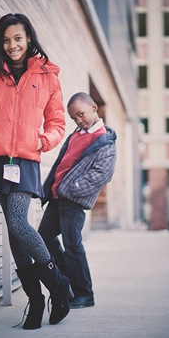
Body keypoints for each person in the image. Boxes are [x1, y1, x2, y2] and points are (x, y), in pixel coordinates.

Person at [0, 13, 71, 330]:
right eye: (6, 39)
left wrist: (43, 140)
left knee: (17, 222)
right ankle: (36, 300)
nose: (12, 45)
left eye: (17, 38)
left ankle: (57, 285)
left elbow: (57, 123)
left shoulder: (48, 77)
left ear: (29, 39)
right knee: (15, 233)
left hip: (26, 159)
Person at [38, 92, 117, 309]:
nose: (78, 120)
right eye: (74, 117)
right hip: (57, 197)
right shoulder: (76, 135)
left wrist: (72, 189)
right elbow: (61, 165)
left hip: (73, 199)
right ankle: (68, 283)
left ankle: (84, 294)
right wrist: (48, 189)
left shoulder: (104, 140)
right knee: (43, 237)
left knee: (73, 245)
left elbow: (102, 174)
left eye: (81, 114)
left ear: (94, 107)